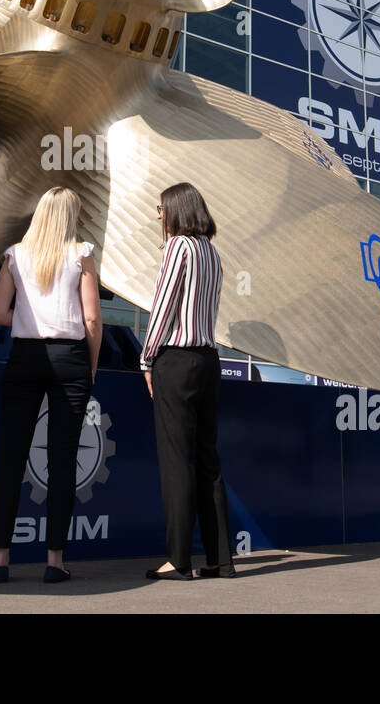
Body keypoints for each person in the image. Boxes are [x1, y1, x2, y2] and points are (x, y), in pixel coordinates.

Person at [0, 187, 101, 584]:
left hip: (24, 357)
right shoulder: (82, 253)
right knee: (63, 460)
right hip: (69, 360)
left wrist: (30, 318)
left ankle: (0, 560)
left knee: (11, 457)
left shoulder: (14, 255)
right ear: (72, 215)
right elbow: (91, 321)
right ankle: (54, 561)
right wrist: (93, 364)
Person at [141, 182, 233, 581]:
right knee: (207, 461)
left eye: (161, 208)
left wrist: (146, 359)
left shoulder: (178, 247)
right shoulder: (213, 254)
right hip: (208, 361)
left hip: (176, 361)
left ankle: (177, 559)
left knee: (177, 462)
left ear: (176, 209)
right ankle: (219, 559)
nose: (158, 215)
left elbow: (162, 307)